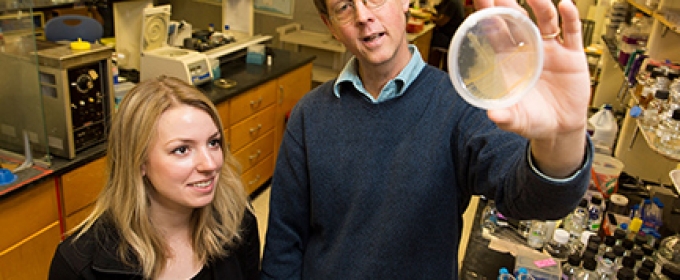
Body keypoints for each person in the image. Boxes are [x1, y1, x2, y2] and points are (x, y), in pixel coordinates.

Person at [261, 0, 594, 278]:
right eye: (344, 6)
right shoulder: (310, 115)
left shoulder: (461, 106)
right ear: (330, 25)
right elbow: (283, 242)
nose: (363, 16)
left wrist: (563, 136)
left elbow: (533, 199)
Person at [48, 76, 260, 280]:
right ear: (139, 162)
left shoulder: (237, 222)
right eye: (182, 149)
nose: (211, 164)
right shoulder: (78, 266)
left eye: (213, 143)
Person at [425, 0, 465, 71]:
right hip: (451, 35)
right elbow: (438, 11)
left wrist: (429, 18)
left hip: (449, 37)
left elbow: (441, 22)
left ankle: (431, 70)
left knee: (430, 40)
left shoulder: (453, 3)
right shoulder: (448, 2)